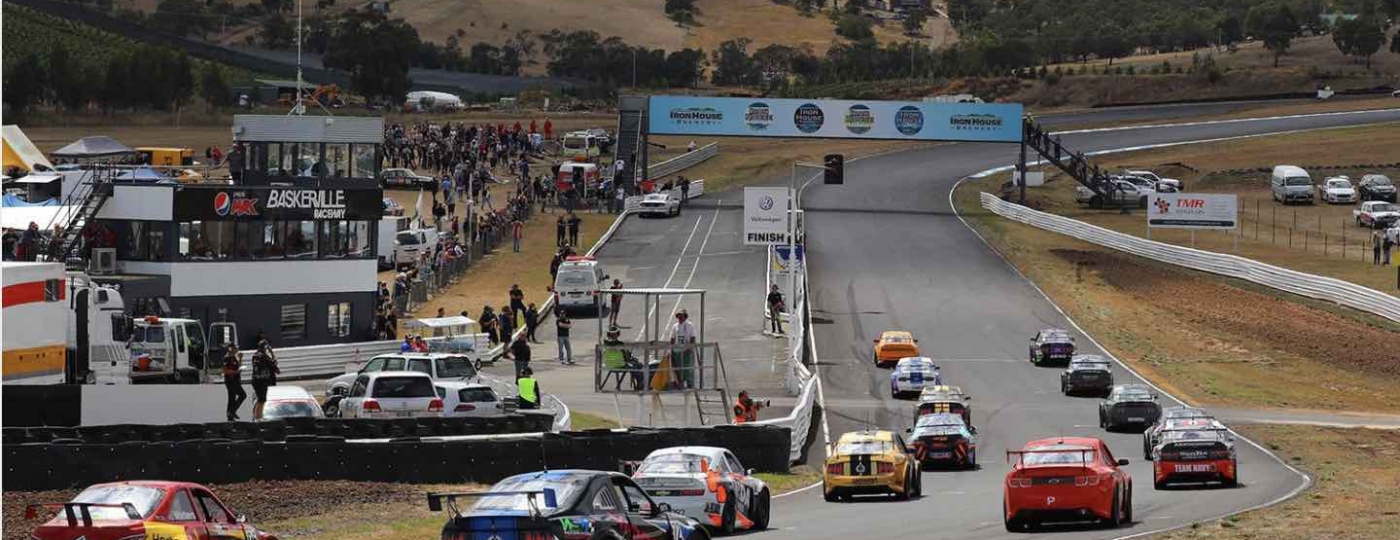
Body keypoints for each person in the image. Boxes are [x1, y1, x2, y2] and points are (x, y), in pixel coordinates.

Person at [250, 332, 278, 419]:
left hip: (256, 380)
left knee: (261, 399)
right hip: (262, 381)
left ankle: (258, 416)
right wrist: (272, 352)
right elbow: (275, 364)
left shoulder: (255, 355)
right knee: (262, 400)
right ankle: (258, 417)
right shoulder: (264, 356)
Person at [669, 309, 697, 388]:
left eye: (681, 315)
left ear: (685, 316)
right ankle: (679, 383)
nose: (680, 317)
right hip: (677, 351)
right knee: (678, 367)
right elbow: (672, 338)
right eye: (678, 316)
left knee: (687, 368)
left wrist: (690, 348)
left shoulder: (690, 325)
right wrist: (671, 349)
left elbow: (693, 337)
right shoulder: (675, 326)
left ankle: (689, 384)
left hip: (687, 350)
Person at [222, 344, 246, 422]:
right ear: (231, 348)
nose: (237, 349)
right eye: (236, 348)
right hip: (231, 380)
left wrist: (240, 358)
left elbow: (237, 366)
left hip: (235, 380)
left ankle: (230, 417)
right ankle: (232, 412)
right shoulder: (227, 357)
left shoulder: (233, 356)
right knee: (242, 395)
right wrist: (236, 372)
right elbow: (225, 370)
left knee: (231, 398)